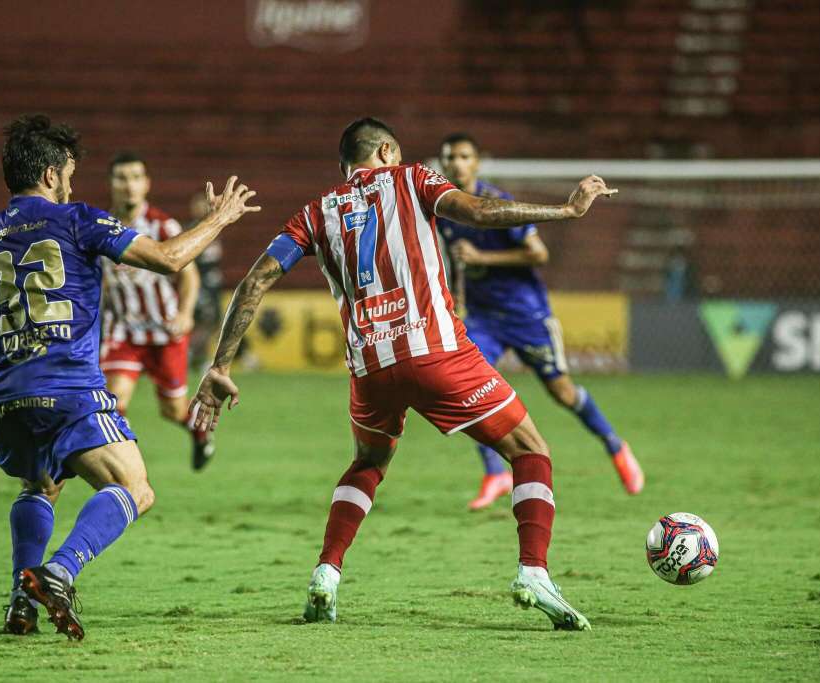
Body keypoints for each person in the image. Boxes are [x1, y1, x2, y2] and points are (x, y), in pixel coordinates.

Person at [190, 117, 616, 631]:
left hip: (369, 366)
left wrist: (220, 365)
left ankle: (326, 572)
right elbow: (480, 211)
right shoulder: (413, 178)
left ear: (345, 164)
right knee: (531, 450)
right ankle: (534, 572)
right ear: (388, 151)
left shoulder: (315, 212)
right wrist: (566, 210)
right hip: (436, 353)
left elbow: (256, 279)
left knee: (368, 462)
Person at [0, 114, 258, 639]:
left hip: (3, 397)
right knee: (134, 488)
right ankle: (59, 571)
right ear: (51, 175)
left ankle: (19, 601)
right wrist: (221, 220)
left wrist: (15, 366)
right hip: (67, 390)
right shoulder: (77, 219)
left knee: (40, 485)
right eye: (69, 171)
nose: (72, 181)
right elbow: (167, 258)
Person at [436, 133, 644, 509]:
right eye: (449, 157)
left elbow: (538, 254)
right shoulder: (446, 211)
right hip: (483, 318)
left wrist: (482, 258)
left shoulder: (496, 204)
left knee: (562, 392)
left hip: (526, 315)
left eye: (464, 156)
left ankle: (615, 446)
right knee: (468, 389)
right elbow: (456, 263)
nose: (456, 163)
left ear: (477, 162)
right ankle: (495, 473)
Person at [100, 152, 214, 470]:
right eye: (122, 178)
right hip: (123, 330)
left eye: (136, 177)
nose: (129, 185)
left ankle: (199, 430)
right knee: (114, 401)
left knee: (173, 410)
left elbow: (189, 274)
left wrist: (186, 313)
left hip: (165, 332)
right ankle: (125, 464)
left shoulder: (162, 226)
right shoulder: (100, 227)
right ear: (111, 184)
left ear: (146, 184)